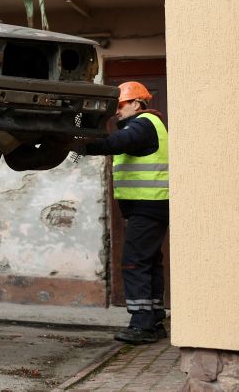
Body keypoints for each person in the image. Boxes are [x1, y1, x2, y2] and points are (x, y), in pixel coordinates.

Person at [76, 81, 169, 344]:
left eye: (121, 105)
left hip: (147, 206)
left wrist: (83, 146)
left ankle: (141, 325)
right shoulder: (149, 125)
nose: (116, 111)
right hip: (151, 206)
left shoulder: (143, 124)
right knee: (149, 263)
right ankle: (154, 320)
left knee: (134, 262)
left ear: (137, 104)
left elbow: (117, 142)